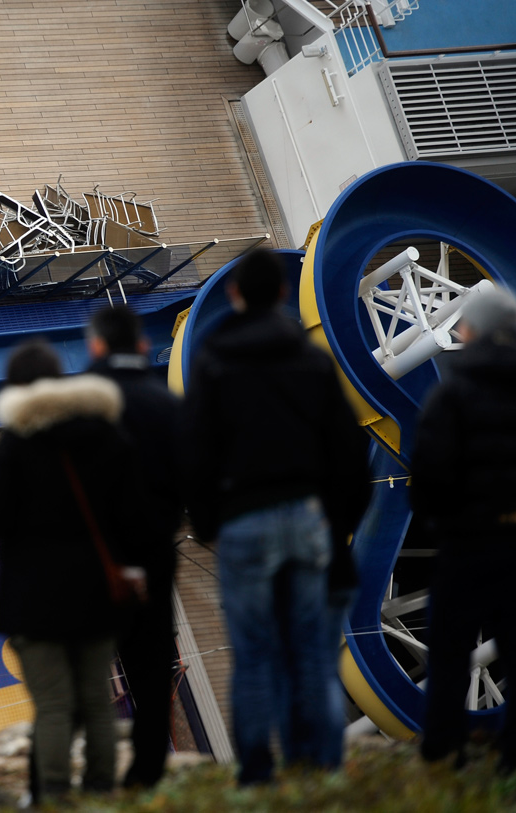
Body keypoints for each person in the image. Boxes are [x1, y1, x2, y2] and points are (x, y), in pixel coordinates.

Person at [181, 249, 370, 784]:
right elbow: (345, 449)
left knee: (255, 655)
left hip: (244, 518)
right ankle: (324, 773)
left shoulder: (213, 360)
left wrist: (207, 521)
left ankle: (260, 780)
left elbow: (194, 452)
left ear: (236, 295)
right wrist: (337, 522)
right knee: (312, 653)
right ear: (284, 294)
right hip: (308, 518)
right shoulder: (310, 359)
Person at [0, 339, 142, 802]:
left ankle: (53, 797)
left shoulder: (15, 443)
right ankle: (101, 793)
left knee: (53, 705)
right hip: (96, 589)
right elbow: (132, 508)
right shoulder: (105, 435)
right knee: (96, 698)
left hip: (34, 596)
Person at [414, 286, 516, 772]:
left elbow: (430, 472)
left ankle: (443, 750)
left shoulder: (453, 392)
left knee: (450, 646)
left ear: (474, 329)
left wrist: (439, 523)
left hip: (465, 540)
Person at [85, 305, 183, 789]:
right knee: (150, 661)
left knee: (90, 663)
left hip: (94, 556)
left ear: (96, 346)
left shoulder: (79, 403)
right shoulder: (164, 402)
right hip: (154, 548)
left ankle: (97, 769)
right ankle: (149, 769)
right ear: (142, 346)